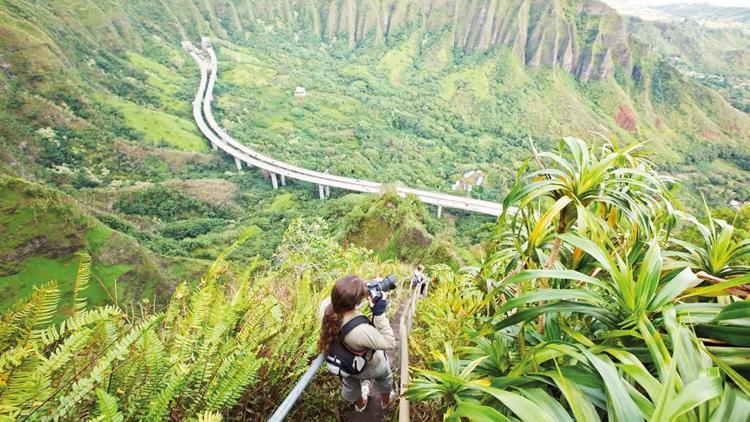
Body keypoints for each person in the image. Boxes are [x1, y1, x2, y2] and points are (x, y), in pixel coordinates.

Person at [318, 275, 396, 412]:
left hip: (344, 364)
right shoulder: (360, 330)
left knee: (350, 385)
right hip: (370, 367)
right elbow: (389, 342)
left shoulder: (326, 307)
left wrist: (366, 285)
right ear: (356, 302)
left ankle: (360, 405)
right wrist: (379, 313)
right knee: (385, 377)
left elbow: (344, 295)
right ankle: (385, 402)